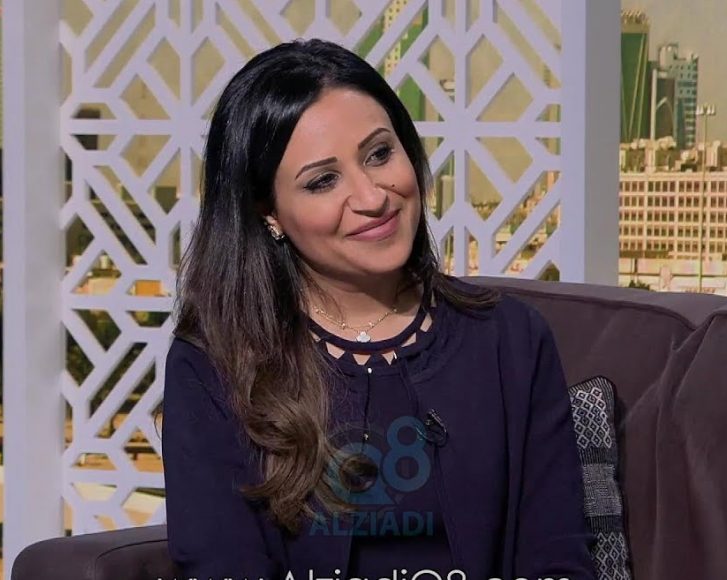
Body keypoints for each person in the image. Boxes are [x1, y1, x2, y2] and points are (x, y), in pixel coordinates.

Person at [164, 38, 595, 580]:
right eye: (323, 181)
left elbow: (557, 557)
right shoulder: (214, 364)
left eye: (379, 154)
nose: (372, 198)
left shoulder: (511, 340)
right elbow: (222, 563)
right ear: (267, 212)